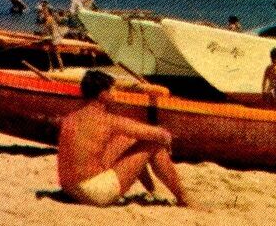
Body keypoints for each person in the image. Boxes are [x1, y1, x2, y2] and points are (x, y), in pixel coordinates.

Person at [56, 70, 191, 208]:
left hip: (69, 189)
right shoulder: (105, 120)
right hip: (93, 193)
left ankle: (152, 191)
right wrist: (166, 138)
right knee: (153, 144)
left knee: (127, 139)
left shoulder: (70, 118)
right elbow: (158, 134)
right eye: (111, 90)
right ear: (103, 95)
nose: (115, 93)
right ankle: (183, 198)